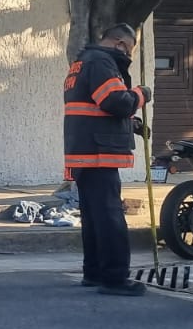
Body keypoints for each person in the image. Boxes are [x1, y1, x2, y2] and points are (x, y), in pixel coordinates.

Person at [63, 22, 154, 296]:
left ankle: (94, 272)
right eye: (129, 51)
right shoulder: (102, 62)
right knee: (111, 217)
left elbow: (99, 105)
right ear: (120, 44)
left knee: (95, 217)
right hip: (98, 153)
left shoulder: (83, 63)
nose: (127, 57)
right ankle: (115, 278)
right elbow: (116, 101)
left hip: (84, 151)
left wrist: (131, 123)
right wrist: (141, 94)